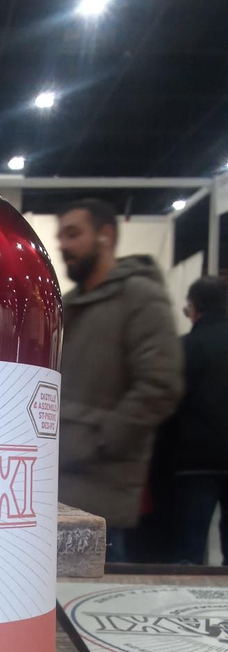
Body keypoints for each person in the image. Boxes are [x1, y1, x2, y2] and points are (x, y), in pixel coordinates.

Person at [56, 198, 183, 561]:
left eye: (73, 234)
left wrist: (97, 440)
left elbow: (160, 386)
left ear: (105, 235)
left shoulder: (140, 297)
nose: (63, 245)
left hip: (103, 496)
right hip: (56, 489)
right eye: (61, 236)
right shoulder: (70, 305)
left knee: (95, 590)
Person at [171, 276, 228, 564]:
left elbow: (171, 403)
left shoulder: (187, 348)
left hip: (195, 463)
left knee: (190, 549)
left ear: (194, 308)